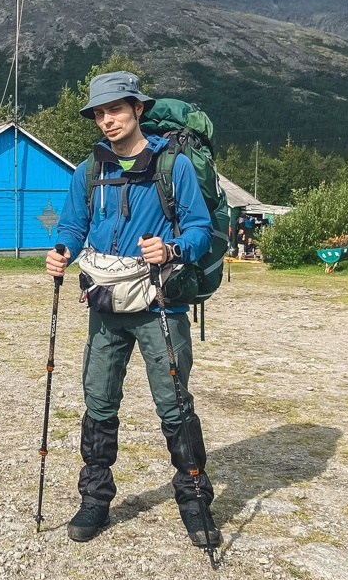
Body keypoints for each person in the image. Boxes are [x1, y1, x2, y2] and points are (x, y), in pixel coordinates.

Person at [46, 71, 220, 549]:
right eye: (100, 113)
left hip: (160, 301)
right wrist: (62, 248)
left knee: (174, 404)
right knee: (98, 401)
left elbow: (200, 228)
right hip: (104, 300)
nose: (107, 120)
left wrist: (173, 249)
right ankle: (95, 500)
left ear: (138, 109)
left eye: (116, 110)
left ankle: (195, 502)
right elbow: (73, 223)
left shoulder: (172, 165)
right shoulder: (88, 170)